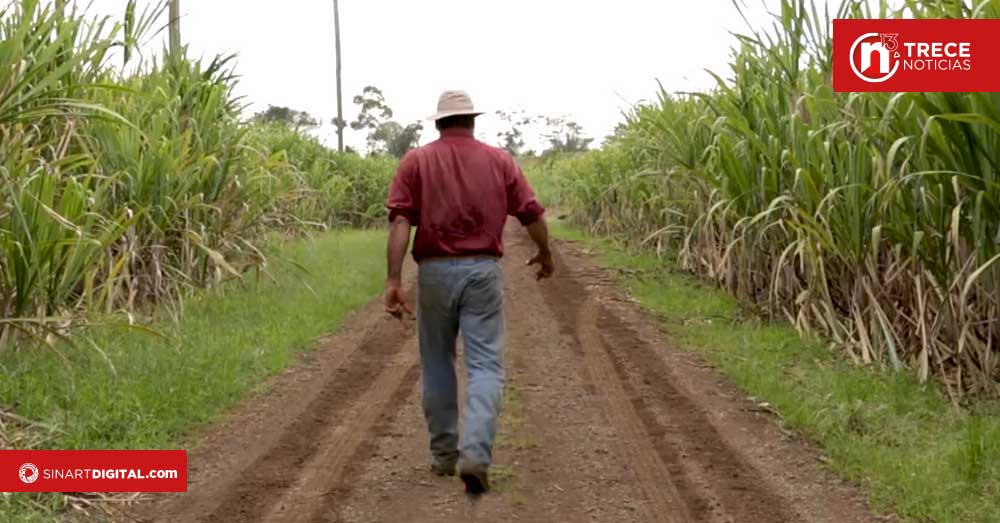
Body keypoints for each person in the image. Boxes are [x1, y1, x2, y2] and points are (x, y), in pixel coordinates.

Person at [383, 90, 554, 495]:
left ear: (439, 122)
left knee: (437, 363)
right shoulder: (500, 160)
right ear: (472, 121)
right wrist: (545, 253)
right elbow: (531, 212)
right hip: (482, 271)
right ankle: (475, 453)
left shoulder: (416, 161)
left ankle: (445, 456)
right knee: (485, 366)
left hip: (434, 272)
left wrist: (393, 280)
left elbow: (400, 222)